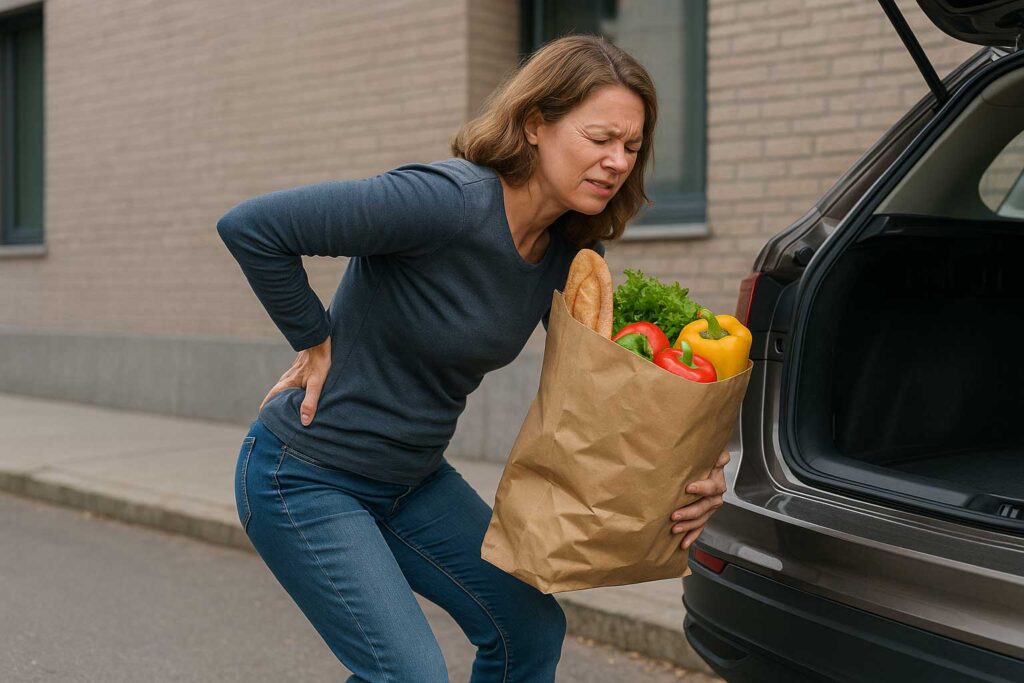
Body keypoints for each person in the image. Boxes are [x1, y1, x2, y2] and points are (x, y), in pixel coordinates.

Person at [217, 34, 730, 683]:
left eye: (631, 147)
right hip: (305, 476)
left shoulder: (567, 255)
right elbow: (254, 227)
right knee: (409, 673)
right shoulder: (446, 200)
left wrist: (693, 468)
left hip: (412, 481)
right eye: (600, 138)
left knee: (528, 628)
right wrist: (313, 338)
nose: (617, 162)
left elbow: (617, 390)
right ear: (535, 124)